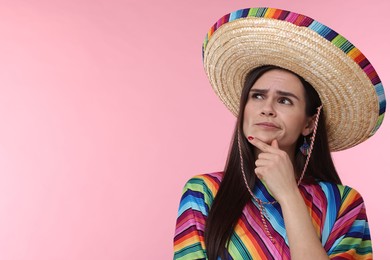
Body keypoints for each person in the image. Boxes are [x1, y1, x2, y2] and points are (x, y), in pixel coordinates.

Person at [174, 7, 385, 260]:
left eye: (285, 101)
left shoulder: (343, 204)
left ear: (308, 123)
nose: (267, 109)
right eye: (258, 96)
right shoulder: (204, 192)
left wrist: (288, 195)